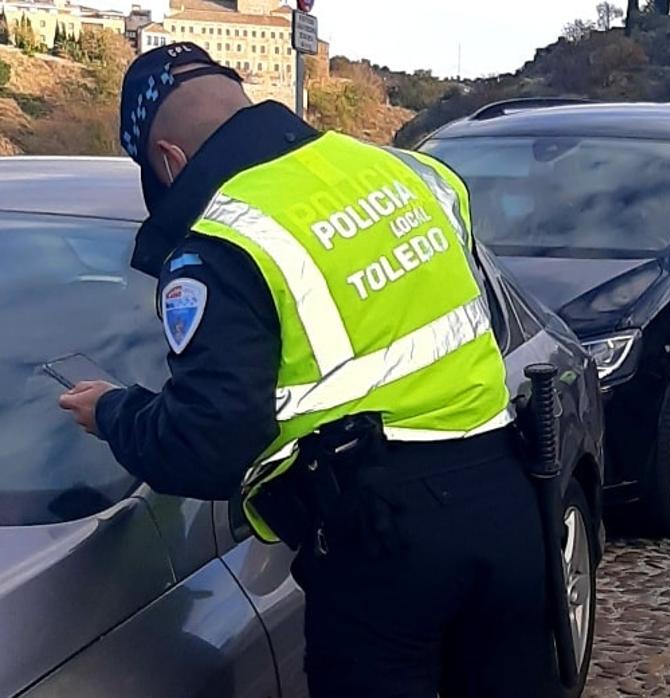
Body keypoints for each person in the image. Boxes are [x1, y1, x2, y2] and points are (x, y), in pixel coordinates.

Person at [57, 43, 557, 698]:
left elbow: (209, 443)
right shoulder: (403, 172)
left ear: (169, 160)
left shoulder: (224, 240)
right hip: (507, 504)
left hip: (385, 546)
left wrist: (115, 413)